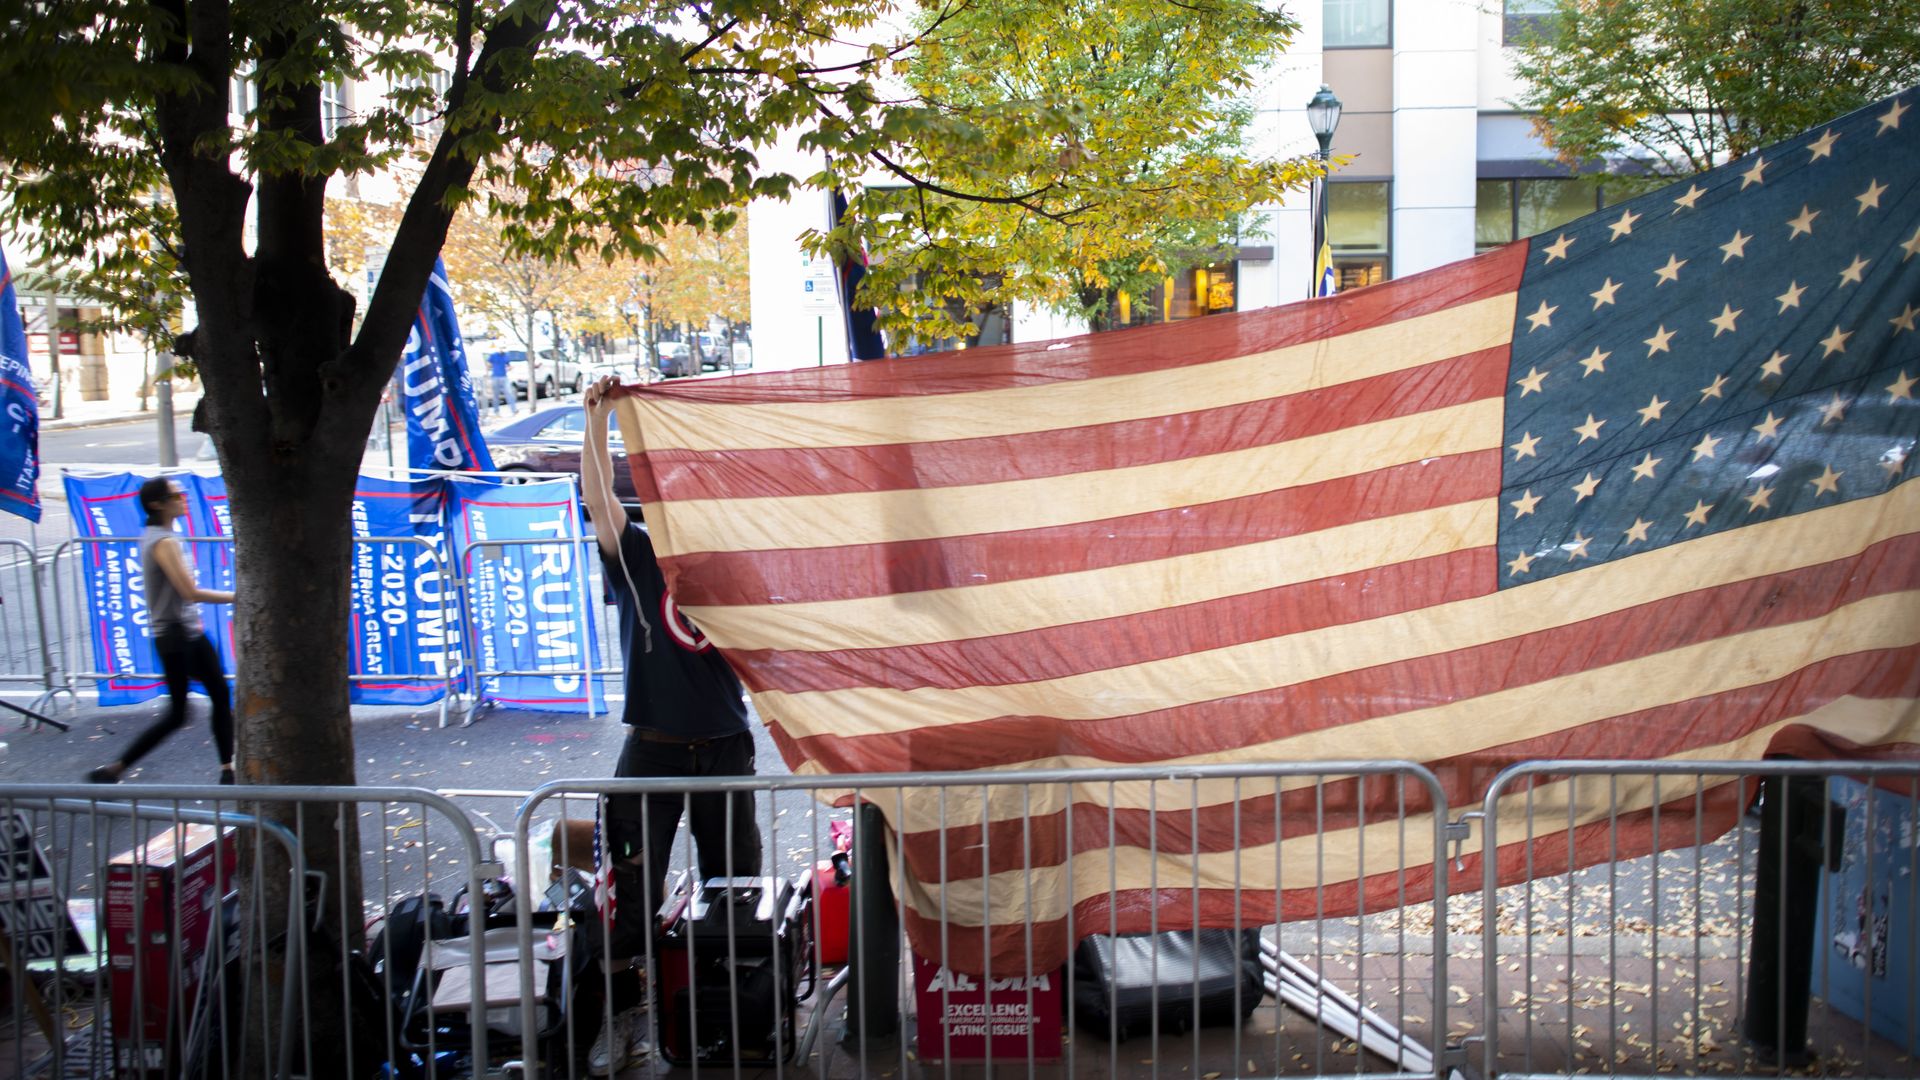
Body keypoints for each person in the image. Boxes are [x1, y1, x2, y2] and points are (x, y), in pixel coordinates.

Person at [578, 374, 761, 1075]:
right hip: (649, 752)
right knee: (626, 903)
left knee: (733, 891)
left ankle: (730, 1015)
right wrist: (596, 417)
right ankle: (627, 1025)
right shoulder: (640, 556)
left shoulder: (736, 572)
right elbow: (598, 500)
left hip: (723, 750)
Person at [88, 477, 236, 785]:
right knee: (182, 712)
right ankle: (115, 769)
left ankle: (227, 770)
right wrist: (239, 596)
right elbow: (190, 592)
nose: (184, 498)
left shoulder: (163, 535)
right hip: (176, 637)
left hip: (186, 633)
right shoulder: (163, 542)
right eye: (176, 495)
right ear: (157, 503)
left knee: (218, 697)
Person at [485, 349, 512, 415]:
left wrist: (509, 368)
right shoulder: (493, 355)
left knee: (508, 393)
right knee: (496, 395)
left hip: (504, 376)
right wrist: (487, 373)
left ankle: (513, 410)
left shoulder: (505, 356)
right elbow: (488, 364)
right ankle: (496, 411)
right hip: (495, 377)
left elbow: (509, 365)